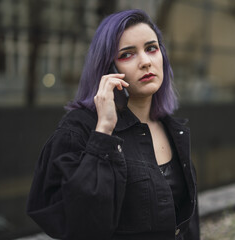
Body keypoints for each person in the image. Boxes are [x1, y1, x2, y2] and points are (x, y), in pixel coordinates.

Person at [27, 9, 200, 240]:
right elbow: (77, 225)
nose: (146, 62)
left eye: (151, 48)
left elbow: (189, 223)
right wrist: (104, 132)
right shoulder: (79, 129)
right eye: (127, 54)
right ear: (108, 69)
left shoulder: (172, 129)